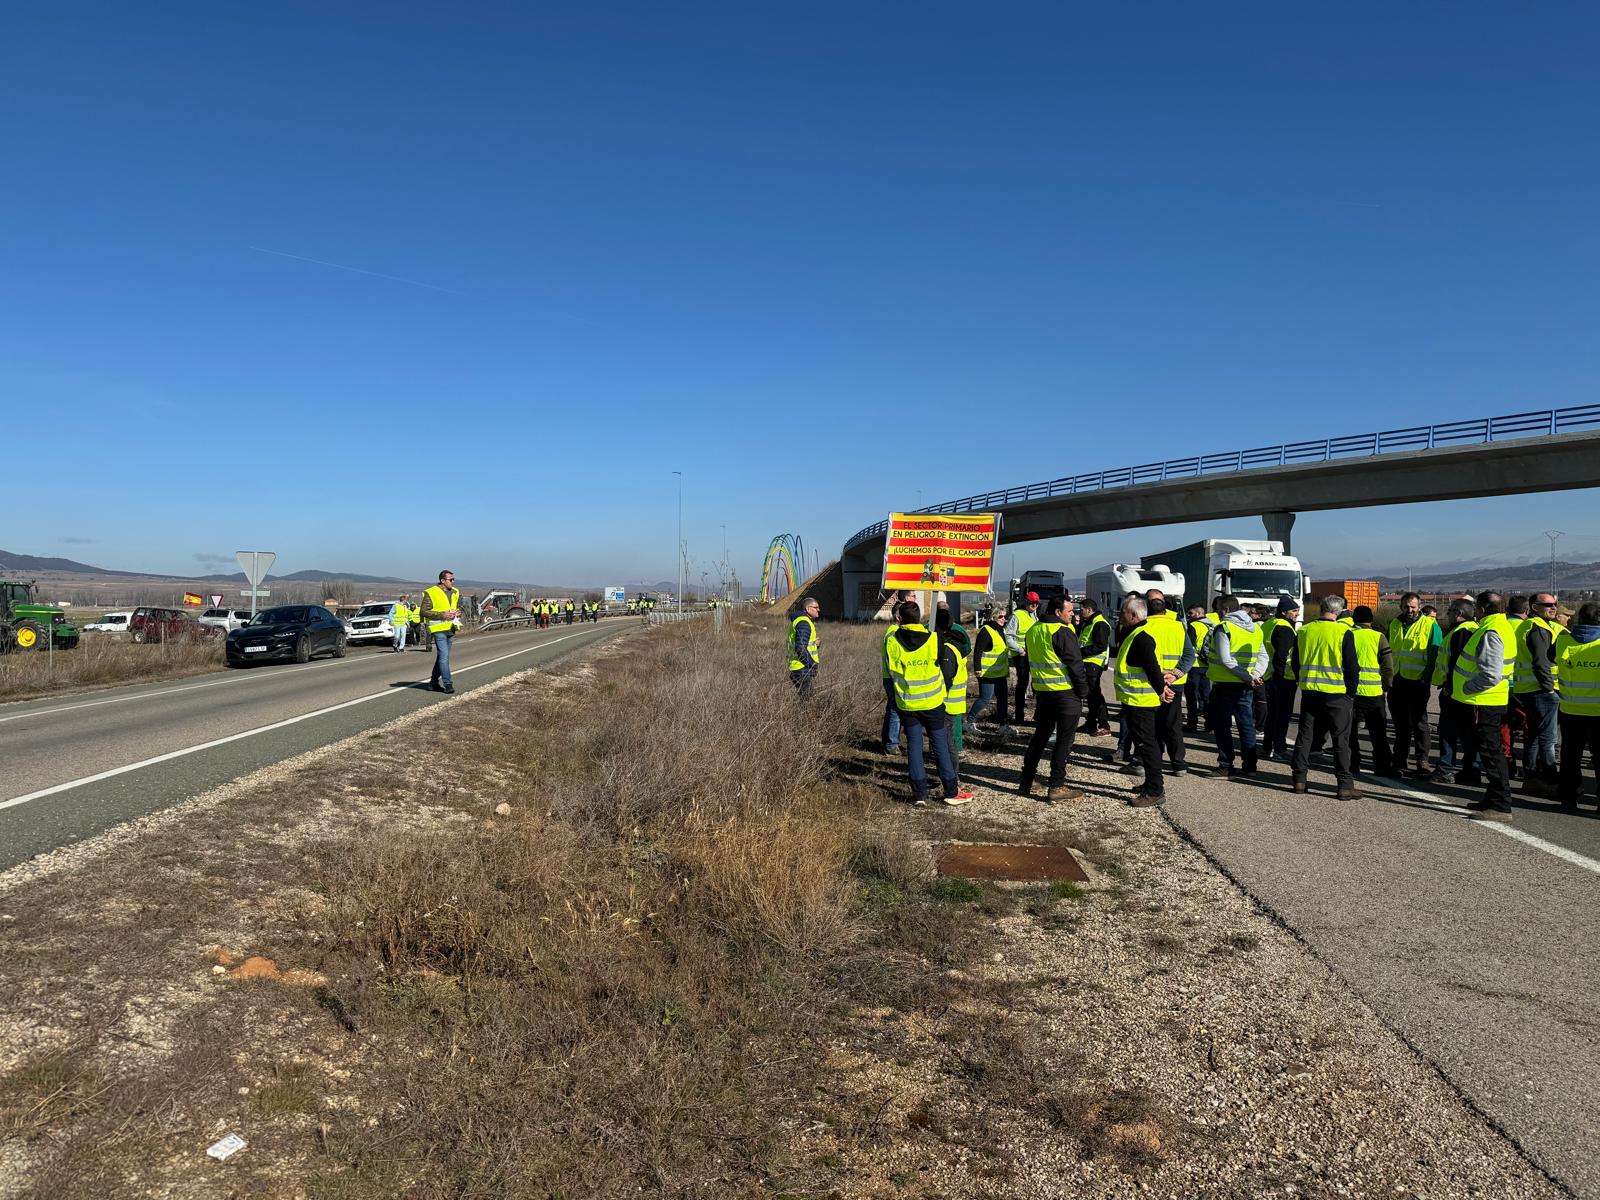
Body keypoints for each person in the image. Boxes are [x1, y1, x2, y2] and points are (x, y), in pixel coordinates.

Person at [886, 601, 972, 807]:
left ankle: (919, 795)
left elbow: (891, 669)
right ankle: (951, 791)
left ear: (900, 618)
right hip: (933, 702)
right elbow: (942, 663)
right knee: (940, 745)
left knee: (914, 746)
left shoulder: (891, 641)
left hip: (907, 702)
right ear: (919, 617)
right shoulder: (934, 639)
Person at [1448, 591, 1516, 822]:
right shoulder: (1500, 626)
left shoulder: (1491, 632)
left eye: (1477, 606)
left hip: (1483, 701)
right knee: (1490, 751)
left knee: (1491, 753)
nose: (1475, 610)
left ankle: (1501, 804)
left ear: (1484, 608)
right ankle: (1492, 798)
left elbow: (1491, 674)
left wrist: (1467, 688)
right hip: (1488, 700)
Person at [1019, 595, 1090, 802]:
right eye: (1069, 611)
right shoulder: (1063, 631)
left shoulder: (1034, 630)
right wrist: (1083, 691)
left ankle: (1026, 780)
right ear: (1058, 612)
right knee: (1064, 741)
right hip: (1065, 693)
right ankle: (1056, 786)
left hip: (1043, 693)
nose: (1072, 614)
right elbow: (1075, 665)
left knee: (1040, 737)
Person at [1290, 595, 1360, 800]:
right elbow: (1351, 667)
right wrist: (1351, 692)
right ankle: (1344, 785)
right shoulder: (1344, 632)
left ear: (1321, 608)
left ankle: (1299, 779)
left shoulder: (1304, 631)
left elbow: (1296, 662)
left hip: (1310, 691)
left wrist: (1303, 679)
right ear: (1340, 612)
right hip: (1337, 693)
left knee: (1305, 735)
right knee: (1341, 739)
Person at [1115, 595, 1173, 807]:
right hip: (1134, 700)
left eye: (1122, 612)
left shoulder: (1141, 638)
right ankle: (1151, 783)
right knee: (1145, 745)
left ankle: (1155, 790)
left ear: (1133, 616)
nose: (1120, 616)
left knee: (1147, 746)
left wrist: (1162, 689)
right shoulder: (1132, 634)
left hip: (1142, 702)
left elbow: (1152, 668)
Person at [1205, 595, 1267, 777]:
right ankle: (1250, 766)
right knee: (1246, 725)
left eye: (1218, 611)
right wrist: (1254, 676)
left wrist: (1247, 677)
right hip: (1245, 685)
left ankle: (1226, 765)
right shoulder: (1255, 628)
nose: (1217, 614)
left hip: (1225, 684)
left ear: (1225, 610)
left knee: (1222, 726)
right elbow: (1264, 657)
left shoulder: (1224, 628)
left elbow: (1226, 660)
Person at [1135, 592, 1192, 777]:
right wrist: (1175, 674)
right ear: (1165, 608)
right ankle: (1179, 764)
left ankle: (1149, 762)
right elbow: (1189, 656)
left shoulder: (1142, 627)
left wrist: (1160, 677)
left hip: (1150, 683)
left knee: (1150, 726)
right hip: (1175, 683)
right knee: (1172, 725)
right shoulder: (1178, 626)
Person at [1387, 592, 1442, 779]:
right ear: (1400, 607)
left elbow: (1435, 653)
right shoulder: (1394, 624)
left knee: (1419, 722)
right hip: (1397, 680)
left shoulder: (1430, 625)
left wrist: (1427, 677)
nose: (1410, 610)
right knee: (1401, 724)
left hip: (1418, 681)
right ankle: (1400, 760)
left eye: (1413, 607)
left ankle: (1422, 760)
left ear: (1419, 607)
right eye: (1406, 606)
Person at [1514, 592, 1561, 797]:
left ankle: (1531, 778)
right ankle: (1549, 779)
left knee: (1533, 735)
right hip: (1541, 690)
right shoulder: (1538, 628)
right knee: (1548, 738)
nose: (1553, 607)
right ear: (1534, 607)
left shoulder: (1526, 626)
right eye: (1548, 604)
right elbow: (1541, 662)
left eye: (1555, 604)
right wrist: (1550, 688)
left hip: (1528, 689)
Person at [1555, 602, 1600, 811]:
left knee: (1571, 756)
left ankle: (1568, 798)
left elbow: (1549, 658)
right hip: (1598, 711)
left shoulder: (1563, 641)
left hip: (1571, 709)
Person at [1347, 606, 1397, 779]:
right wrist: (1387, 685)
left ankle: (1352, 765)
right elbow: (1388, 666)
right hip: (1374, 693)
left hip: (1351, 693)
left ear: (1354, 620)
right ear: (1371, 620)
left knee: (1350, 732)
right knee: (1378, 733)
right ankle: (1382, 766)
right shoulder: (1379, 637)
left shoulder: (1348, 634)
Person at [1259, 597, 1300, 761]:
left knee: (1272, 715)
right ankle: (1280, 749)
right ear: (1284, 612)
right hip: (1283, 677)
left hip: (1269, 674)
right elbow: (1282, 655)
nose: (1297, 614)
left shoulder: (1269, 624)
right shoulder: (1285, 628)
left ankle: (1267, 747)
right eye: (1294, 611)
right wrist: (1282, 674)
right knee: (1282, 716)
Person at [935, 608, 972, 767]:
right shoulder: (956, 642)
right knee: (949, 739)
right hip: (955, 699)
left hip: (946, 701)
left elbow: (946, 678)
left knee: (947, 742)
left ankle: (951, 776)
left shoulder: (948, 649)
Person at [420, 570, 463, 694]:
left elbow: (454, 607)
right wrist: (441, 615)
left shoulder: (455, 592)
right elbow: (423, 611)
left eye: (453, 579)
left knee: (442, 657)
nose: (453, 581)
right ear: (443, 581)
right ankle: (448, 683)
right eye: (451, 579)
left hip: (451, 628)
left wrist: (457, 612)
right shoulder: (431, 592)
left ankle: (433, 683)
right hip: (438, 629)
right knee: (444, 657)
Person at [971, 606, 1012, 733]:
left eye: (1005, 617)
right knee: (985, 699)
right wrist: (977, 668)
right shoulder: (986, 630)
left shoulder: (1001, 631)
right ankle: (969, 722)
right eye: (1000, 616)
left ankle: (1003, 725)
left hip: (999, 673)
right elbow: (978, 651)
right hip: (987, 673)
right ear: (993, 617)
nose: (1003, 619)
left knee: (1003, 699)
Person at [1075, 598, 1113, 736]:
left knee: (1095, 695)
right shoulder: (1090, 623)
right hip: (1088, 662)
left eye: (1082, 609)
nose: (1080, 611)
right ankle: (1090, 723)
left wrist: (1079, 652)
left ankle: (1104, 725)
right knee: (1090, 695)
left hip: (1093, 664)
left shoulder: (1100, 624)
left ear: (1089, 610)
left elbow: (1100, 646)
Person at [1004, 592, 1040, 724]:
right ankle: (1019, 716)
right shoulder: (1017, 615)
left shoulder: (1034, 615)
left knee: (1038, 684)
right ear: (1026, 602)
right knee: (1023, 684)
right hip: (1022, 656)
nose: (1034, 605)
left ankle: (1038, 715)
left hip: (1034, 655)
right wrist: (1019, 650)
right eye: (1032, 602)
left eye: (1036, 603)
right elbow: (1008, 636)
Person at [1182, 603, 1216, 734]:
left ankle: (1192, 724)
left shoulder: (1193, 626)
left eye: (1190, 613)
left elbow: (1189, 647)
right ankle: (1210, 725)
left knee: (1191, 697)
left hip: (1194, 665)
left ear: (1197, 613)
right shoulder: (1212, 624)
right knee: (1206, 696)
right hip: (1207, 665)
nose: (1189, 616)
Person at [880, 601, 905, 754]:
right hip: (892, 678)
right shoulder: (893, 633)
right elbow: (892, 661)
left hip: (891, 677)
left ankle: (889, 741)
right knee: (895, 710)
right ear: (898, 616)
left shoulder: (895, 631)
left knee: (893, 709)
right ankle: (891, 744)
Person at [786, 596, 821, 696]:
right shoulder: (804, 623)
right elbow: (800, 648)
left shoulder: (802, 621)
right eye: (816, 607)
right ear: (808, 609)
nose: (819, 609)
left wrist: (815, 644)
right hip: (802, 668)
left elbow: (803, 644)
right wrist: (812, 664)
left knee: (805, 699)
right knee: (807, 701)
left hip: (799, 667)